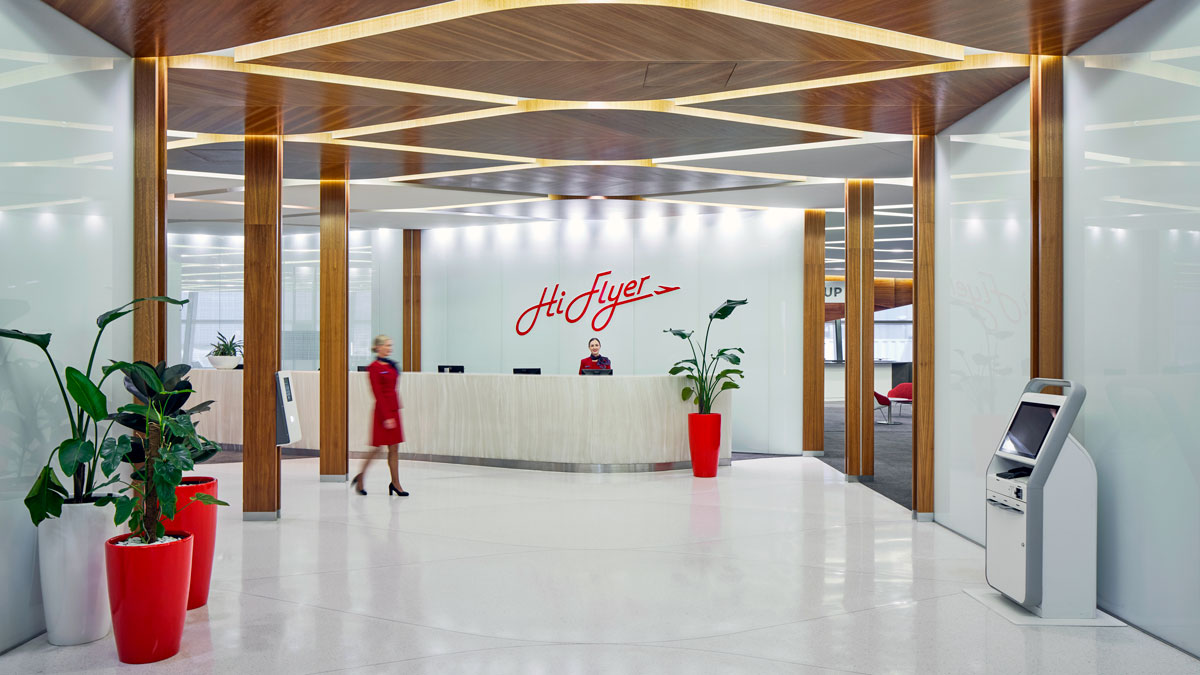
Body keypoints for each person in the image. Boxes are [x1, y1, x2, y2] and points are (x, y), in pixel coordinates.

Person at [353, 335, 409, 497]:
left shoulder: (391, 365)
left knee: (394, 448)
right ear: (377, 347)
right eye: (386, 345)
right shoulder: (374, 367)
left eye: (390, 345)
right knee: (377, 448)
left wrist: (393, 413)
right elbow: (377, 393)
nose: (389, 348)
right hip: (383, 413)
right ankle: (361, 477)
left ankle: (396, 483)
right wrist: (386, 416)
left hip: (394, 410)